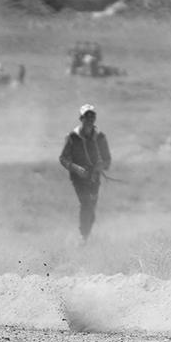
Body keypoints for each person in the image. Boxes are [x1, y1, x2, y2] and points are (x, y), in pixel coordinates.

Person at [59, 104, 112, 244]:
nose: (90, 119)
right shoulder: (72, 137)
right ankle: (83, 237)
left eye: (92, 116)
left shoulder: (100, 137)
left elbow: (107, 159)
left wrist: (101, 166)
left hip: (94, 178)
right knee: (86, 204)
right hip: (78, 178)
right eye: (86, 116)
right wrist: (76, 169)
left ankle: (85, 236)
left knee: (92, 208)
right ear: (81, 118)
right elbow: (63, 158)